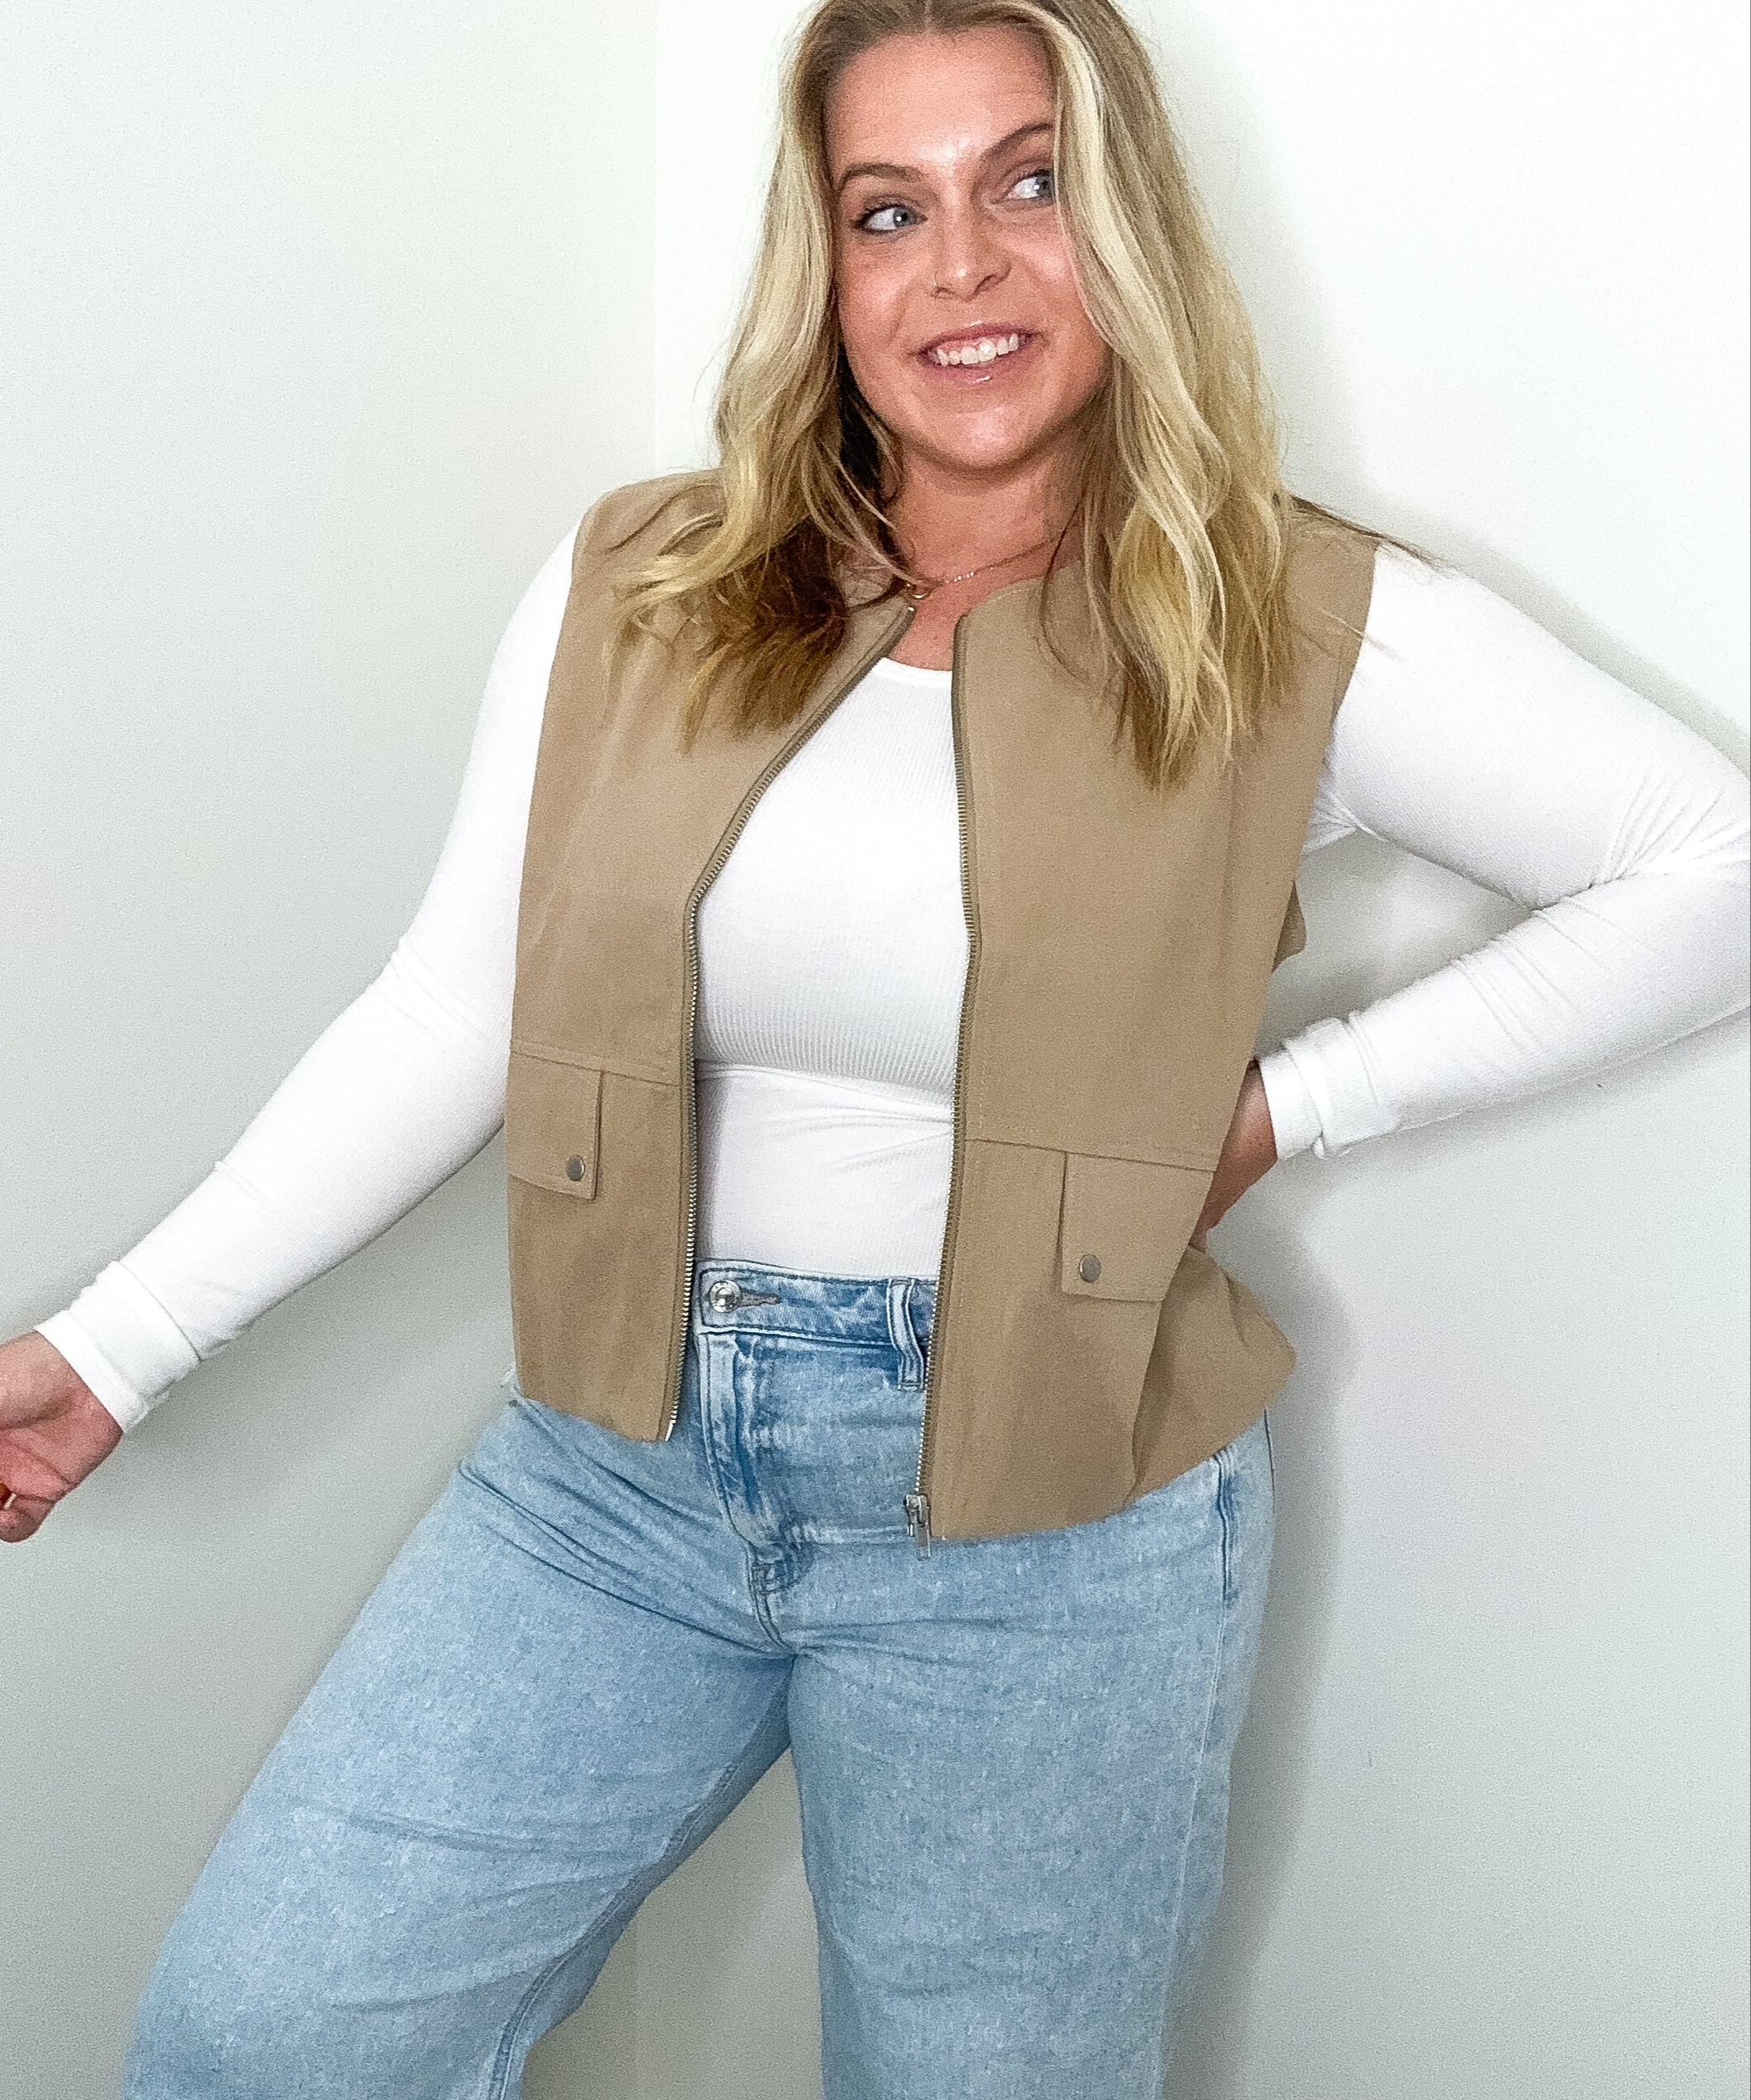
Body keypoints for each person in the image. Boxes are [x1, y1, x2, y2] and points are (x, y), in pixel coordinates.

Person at [3, 2, 1746, 2093]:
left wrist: (1286, 1105)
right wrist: (111, 1347)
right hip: (616, 1460)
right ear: (820, 272)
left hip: (1051, 1517)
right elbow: (464, 1006)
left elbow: (1703, 868)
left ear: (1127, 221)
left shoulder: (1288, 620)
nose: (964, 268)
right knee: (259, 2035)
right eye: (885, 209)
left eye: (1030, 183)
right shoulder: (645, 582)